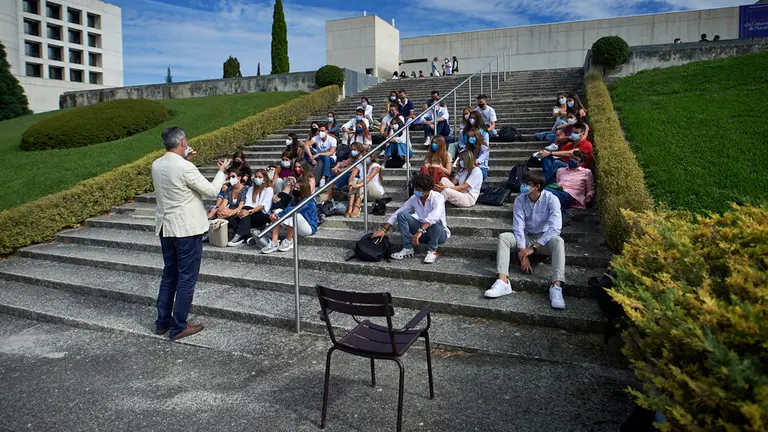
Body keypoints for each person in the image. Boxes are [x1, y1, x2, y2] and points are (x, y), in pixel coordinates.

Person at [151, 126, 229, 340]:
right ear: (183, 143)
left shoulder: (157, 165)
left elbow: (179, 183)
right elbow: (212, 191)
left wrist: (188, 161)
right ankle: (179, 326)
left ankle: (162, 322)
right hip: (186, 229)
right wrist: (222, 172)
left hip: (166, 228)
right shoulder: (185, 167)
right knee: (186, 278)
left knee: (169, 275)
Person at [484, 171, 566, 310]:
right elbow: (518, 226)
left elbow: (555, 228)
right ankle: (503, 281)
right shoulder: (520, 199)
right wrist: (523, 253)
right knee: (504, 237)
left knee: (558, 241)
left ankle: (556, 286)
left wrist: (533, 248)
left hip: (543, 239)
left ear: (537, 186)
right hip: (525, 237)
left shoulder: (551, 199)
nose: (523, 187)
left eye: (527, 184)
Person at [371, 173, 449, 264]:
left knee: (436, 221)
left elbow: (434, 216)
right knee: (402, 215)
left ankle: (432, 251)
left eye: (419, 190)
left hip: (438, 234)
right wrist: (384, 229)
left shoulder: (438, 198)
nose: (416, 191)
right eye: (415, 189)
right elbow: (399, 212)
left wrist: (420, 231)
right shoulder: (414, 198)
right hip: (421, 233)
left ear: (427, 190)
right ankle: (407, 248)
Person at [261, 176, 318, 254]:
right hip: (296, 225)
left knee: (293, 214)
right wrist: (275, 214)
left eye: (298, 189)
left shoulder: (309, 200)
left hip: (309, 228)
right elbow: (287, 209)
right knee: (278, 210)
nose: (295, 190)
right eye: (295, 188)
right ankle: (274, 243)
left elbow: (295, 209)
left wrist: (279, 215)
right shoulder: (295, 198)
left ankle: (289, 240)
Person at [228, 169, 274, 246]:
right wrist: (241, 212)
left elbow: (262, 206)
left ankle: (240, 235)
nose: (257, 178)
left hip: (262, 216)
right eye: (256, 177)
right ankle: (248, 236)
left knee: (244, 213)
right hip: (249, 214)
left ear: (264, 179)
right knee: (233, 218)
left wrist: (248, 212)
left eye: (260, 177)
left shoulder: (269, 189)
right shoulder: (251, 189)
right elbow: (247, 203)